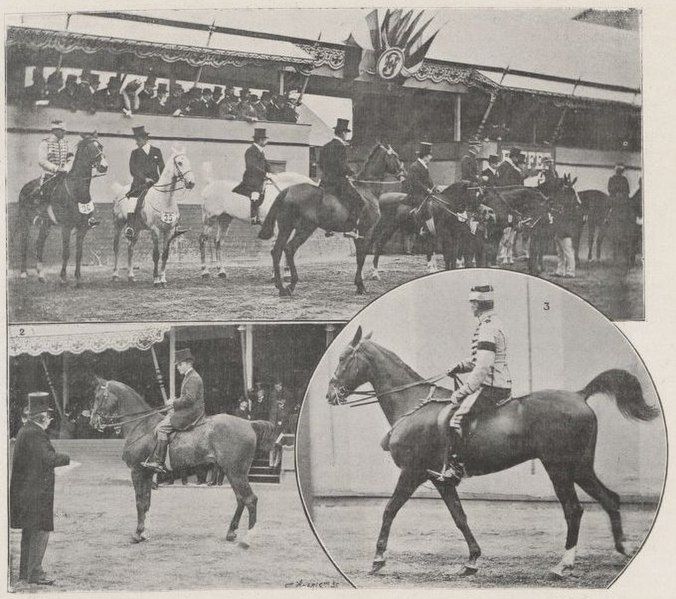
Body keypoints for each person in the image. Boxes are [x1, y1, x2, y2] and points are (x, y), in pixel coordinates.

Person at [434, 285, 512, 482]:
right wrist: (460, 366)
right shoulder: (493, 322)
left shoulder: (487, 327)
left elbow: (483, 368)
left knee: (456, 418)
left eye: (472, 302)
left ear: (478, 303)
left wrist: (462, 391)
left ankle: (457, 468)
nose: (470, 306)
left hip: (492, 387)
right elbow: (480, 360)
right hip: (497, 382)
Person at [10, 392, 70, 585]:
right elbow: (48, 459)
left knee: (29, 533)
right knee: (40, 531)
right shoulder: (36, 433)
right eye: (49, 417)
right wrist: (67, 459)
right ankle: (35, 573)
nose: (50, 421)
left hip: (25, 492)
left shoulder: (24, 430)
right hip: (36, 493)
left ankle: (24, 573)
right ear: (42, 418)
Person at [142, 348, 205, 473]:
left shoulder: (192, 378)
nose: (178, 367)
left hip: (191, 413)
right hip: (190, 410)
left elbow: (189, 399)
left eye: (180, 364)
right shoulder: (190, 376)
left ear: (188, 363)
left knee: (161, 428)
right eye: (178, 365)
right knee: (165, 419)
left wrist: (173, 402)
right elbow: (188, 397)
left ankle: (159, 462)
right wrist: (176, 401)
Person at [319, 118, 371, 239]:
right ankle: (351, 228)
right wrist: (351, 172)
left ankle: (328, 227)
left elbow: (321, 163)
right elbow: (342, 166)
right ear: (342, 133)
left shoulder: (326, 146)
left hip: (325, 182)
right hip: (339, 182)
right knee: (359, 201)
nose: (346, 135)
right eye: (346, 133)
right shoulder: (341, 147)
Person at [124, 125, 165, 239]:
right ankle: (130, 226)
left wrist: (162, 182)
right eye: (136, 140)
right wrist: (145, 179)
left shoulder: (157, 151)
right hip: (139, 185)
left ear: (144, 139)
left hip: (155, 185)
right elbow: (133, 170)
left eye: (138, 140)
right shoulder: (134, 153)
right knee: (132, 201)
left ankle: (174, 224)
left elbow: (162, 169)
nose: (136, 143)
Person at [232, 128, 270, 225]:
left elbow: (266, 164)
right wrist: (264, 173)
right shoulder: (250, 151)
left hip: (260, 178)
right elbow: (251, 166)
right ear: (260, 140)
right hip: (251, 179)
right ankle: (254, 217)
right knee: (255, 194)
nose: (266, 141)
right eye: (265, 139)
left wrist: (270, 172)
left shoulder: (261, 151)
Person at [37, 119, 74, 210]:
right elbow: (42, 161)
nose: (64, 133)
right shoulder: (45, 143)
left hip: (64, 175)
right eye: (62, 130)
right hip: (50, 176)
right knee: (47, 196)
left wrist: (66, 168)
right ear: (55, 131)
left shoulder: (65, 144)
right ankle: (43, 216)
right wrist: (56, 168)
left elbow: (70, 158)